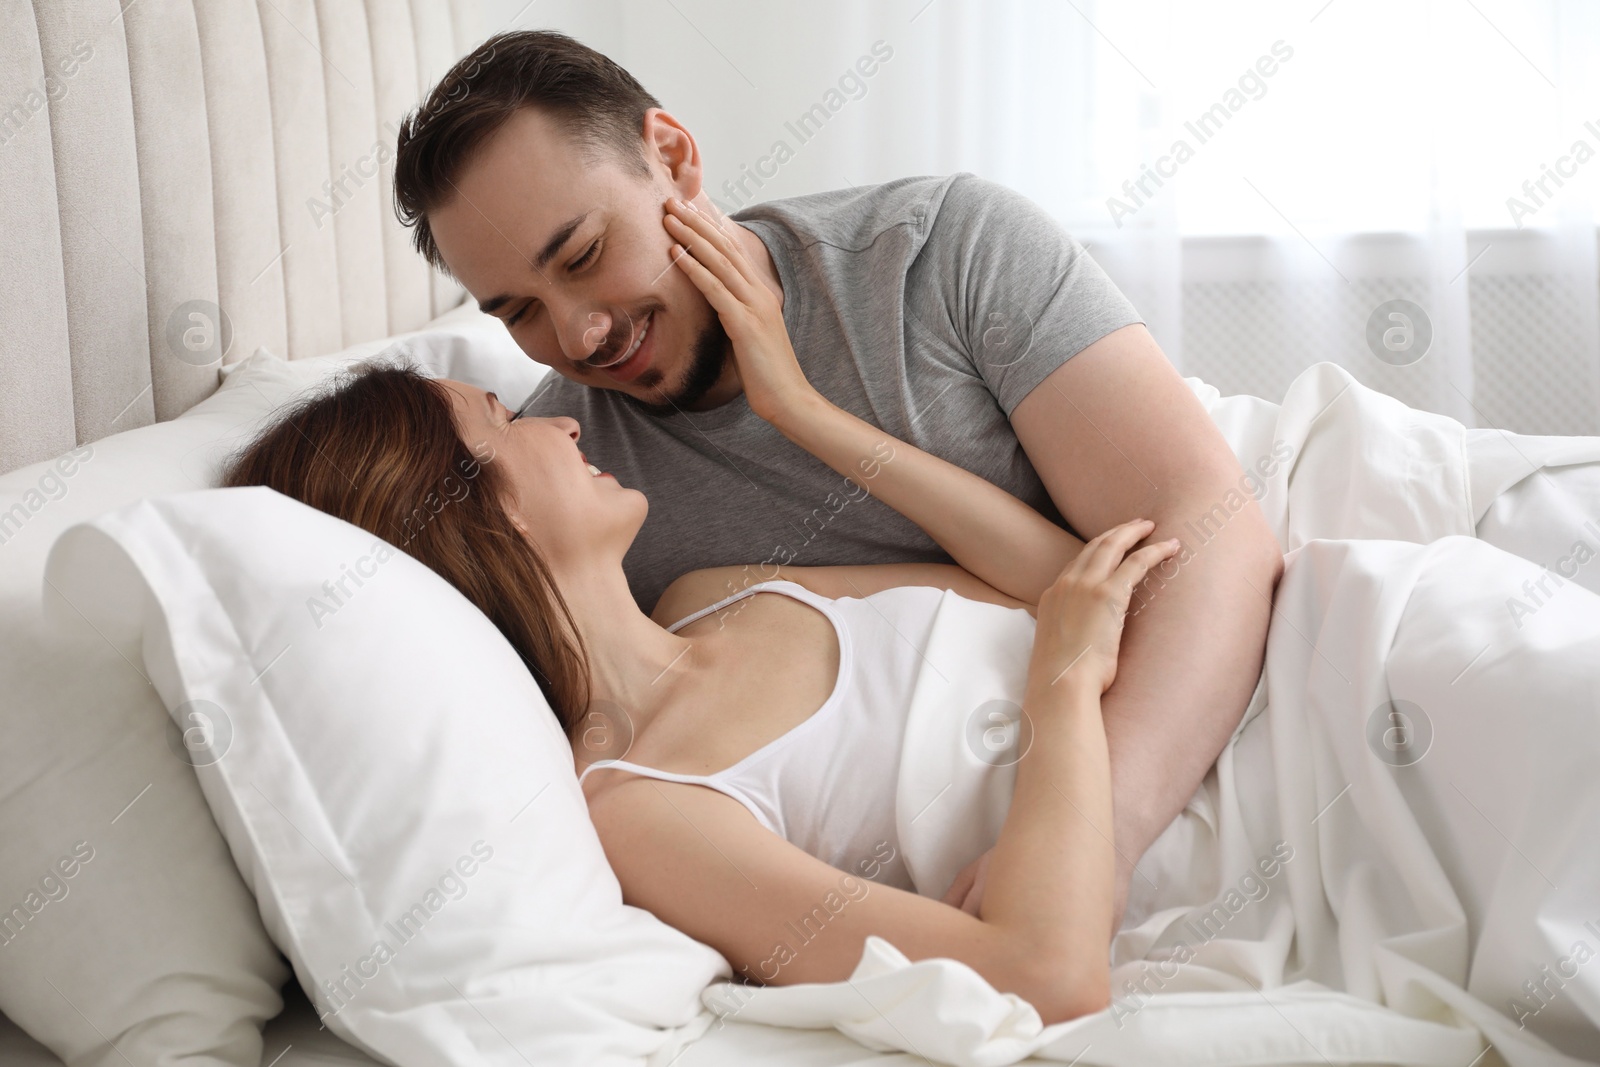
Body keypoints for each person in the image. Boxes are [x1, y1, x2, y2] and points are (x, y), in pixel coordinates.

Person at [389, 29, 1284, 932]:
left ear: (671, 157)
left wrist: (1095, 845)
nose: (579, 337)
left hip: (1233, 673)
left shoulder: (939, 249)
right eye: (518, 312)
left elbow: (1204, 536)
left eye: (583, 256)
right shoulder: (576, 489)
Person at [220, 201, 1184, 1022]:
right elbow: (1045, 980)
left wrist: (798, 409)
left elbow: (1085, 585)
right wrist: (1061, 686)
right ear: (468, 512)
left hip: (1206, 702)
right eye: (506, 422)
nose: (562, 417)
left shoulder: (711, 595)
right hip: (1195, 828)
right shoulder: (641, 811)